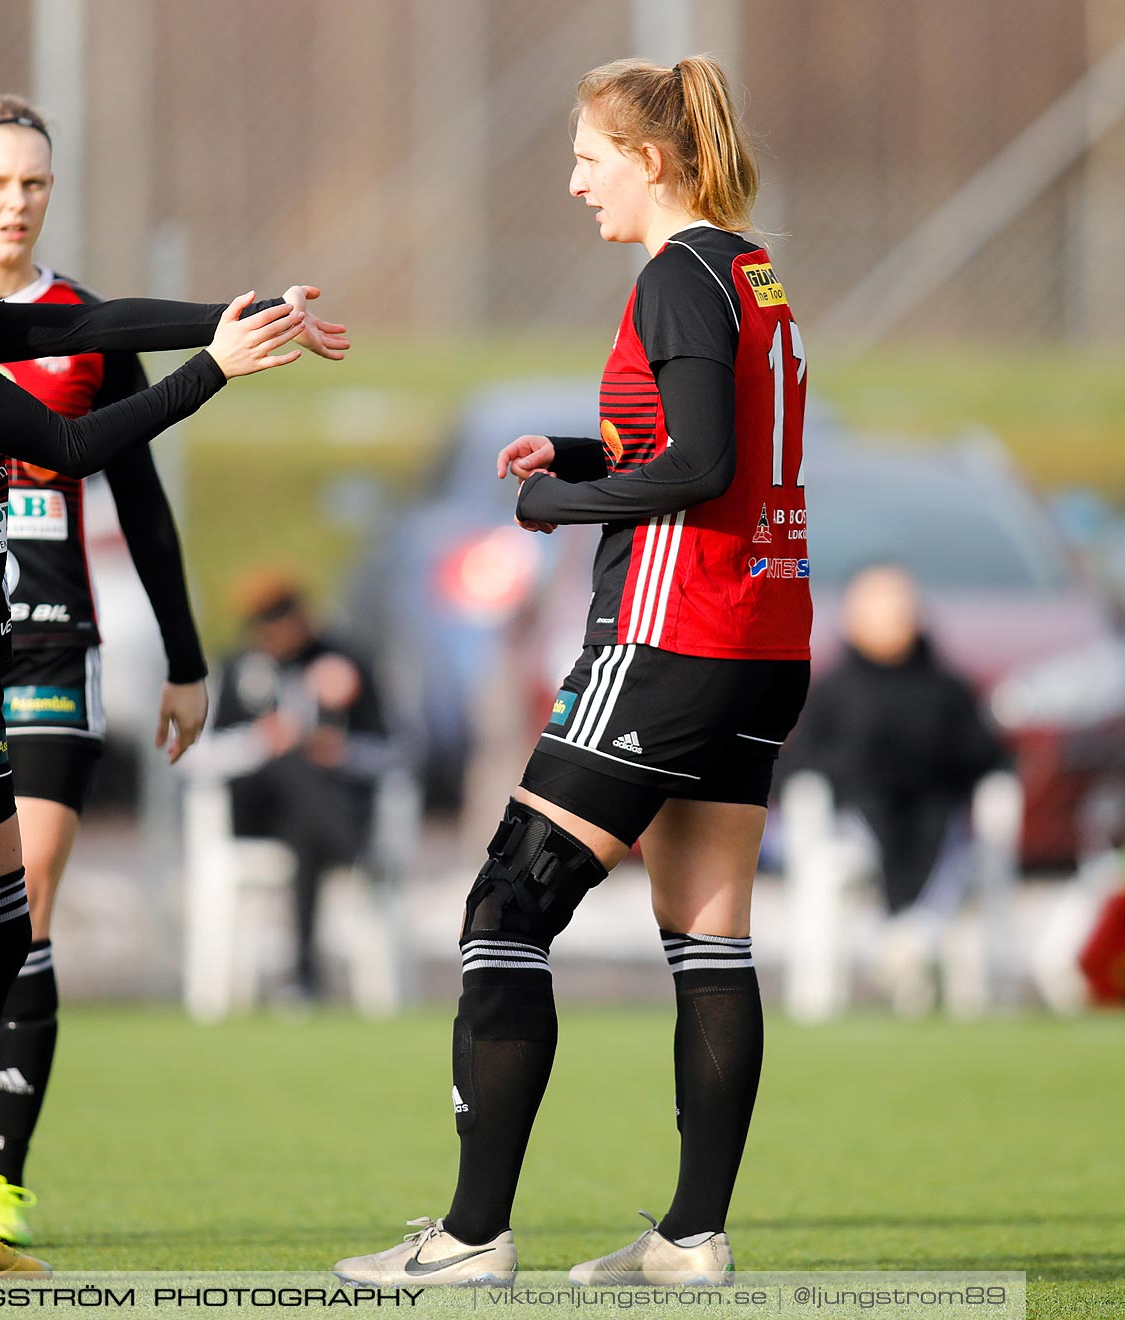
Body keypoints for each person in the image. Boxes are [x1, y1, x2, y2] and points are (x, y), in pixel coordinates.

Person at [335, 56, 809, 1288]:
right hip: (760, 641)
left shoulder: (674, 274)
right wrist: (592, 447)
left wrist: (560, 498)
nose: (575, 180)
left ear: (651, 161)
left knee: (504, 912)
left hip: (671, 638)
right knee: (709, 938)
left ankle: (470, 1236)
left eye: (591, 158)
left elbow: (699, 467)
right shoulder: (750, 270)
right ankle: (690, 1241)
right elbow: (714, 446)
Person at [0, 119, 348, 1275]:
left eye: (29, 185)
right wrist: (216, 359)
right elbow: (58, 441)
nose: (9, 208)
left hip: (45, 643)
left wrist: (184, 652)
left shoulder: (24, 314)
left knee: (13, 907)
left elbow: (110, 419)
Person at [782, 565, 1009, 1010]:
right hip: (859, 816)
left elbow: (984, 756)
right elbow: (799, 763)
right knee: (869, 833)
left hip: (935, 811)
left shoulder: (946, 688)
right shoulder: (833, 689)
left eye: (901, 606)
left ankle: (909, 938)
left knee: (945, 843)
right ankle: (902, 943)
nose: (893, 617)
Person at [207, 571, 391, 1003]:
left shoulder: (345, 661)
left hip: (311, 813)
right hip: (259, 808)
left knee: (306, 829)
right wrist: (261, 741)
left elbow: (394, 751)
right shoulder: (238, 667)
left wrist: (341, 751)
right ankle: (347, 845)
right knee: (289, 764)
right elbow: (201, 756)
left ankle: (303, 983)